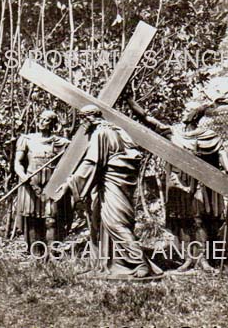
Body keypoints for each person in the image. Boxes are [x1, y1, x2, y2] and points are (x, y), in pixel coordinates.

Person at [54, 105, 163, 279]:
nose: (83, 126)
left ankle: (140, 262)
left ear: (88, 119)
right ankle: (110, 263)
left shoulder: (101, 133)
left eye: (83, 121)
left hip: (114, 183)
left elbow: (92, 162)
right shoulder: (118, 130)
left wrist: (71, 183)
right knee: (102, 222)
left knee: (115, 222)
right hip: (112, 183)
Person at [127, 98, 228, 272]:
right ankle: (188, 259)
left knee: (198, 220)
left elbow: (221, 150)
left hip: (198, 180)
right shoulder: (174, 132)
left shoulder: (207, 134)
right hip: (177, 180)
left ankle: (203, 260)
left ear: (195, 115)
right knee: (182, 220)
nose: (184, 112)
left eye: (188, 110)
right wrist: (131, 102)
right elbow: (148, 119)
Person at [14, 110, 71, 249]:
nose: (41, 121)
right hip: (31, 182)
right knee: (32, 219)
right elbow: (17, 162)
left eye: (46, 119)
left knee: (51, 219)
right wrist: (22, 175)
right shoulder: (27, 140)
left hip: (52, 183)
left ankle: (52, 253)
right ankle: (36, 254)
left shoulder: (61, 142)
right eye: (40, 118)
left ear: (53, 123)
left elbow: (71, 161)